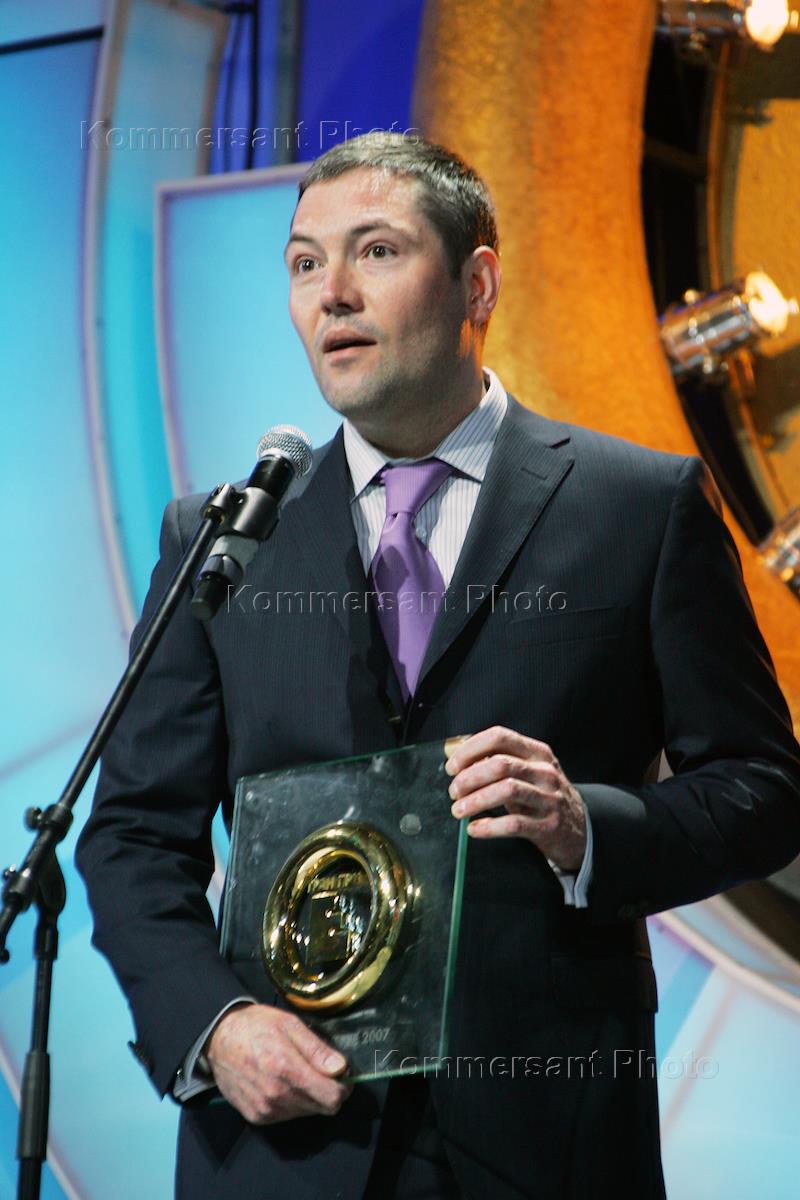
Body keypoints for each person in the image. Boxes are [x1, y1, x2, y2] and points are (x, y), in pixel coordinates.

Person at [76, 133, 800, 1200]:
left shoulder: (639, 509)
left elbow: (763, 788)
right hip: (283, 1152)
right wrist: (215, 1028)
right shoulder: (225, 538)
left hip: (542, 1139)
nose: (332, 293)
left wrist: (587, 828)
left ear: (477, 284)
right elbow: (134, 835)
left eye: (375, 251)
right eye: (304, 263)